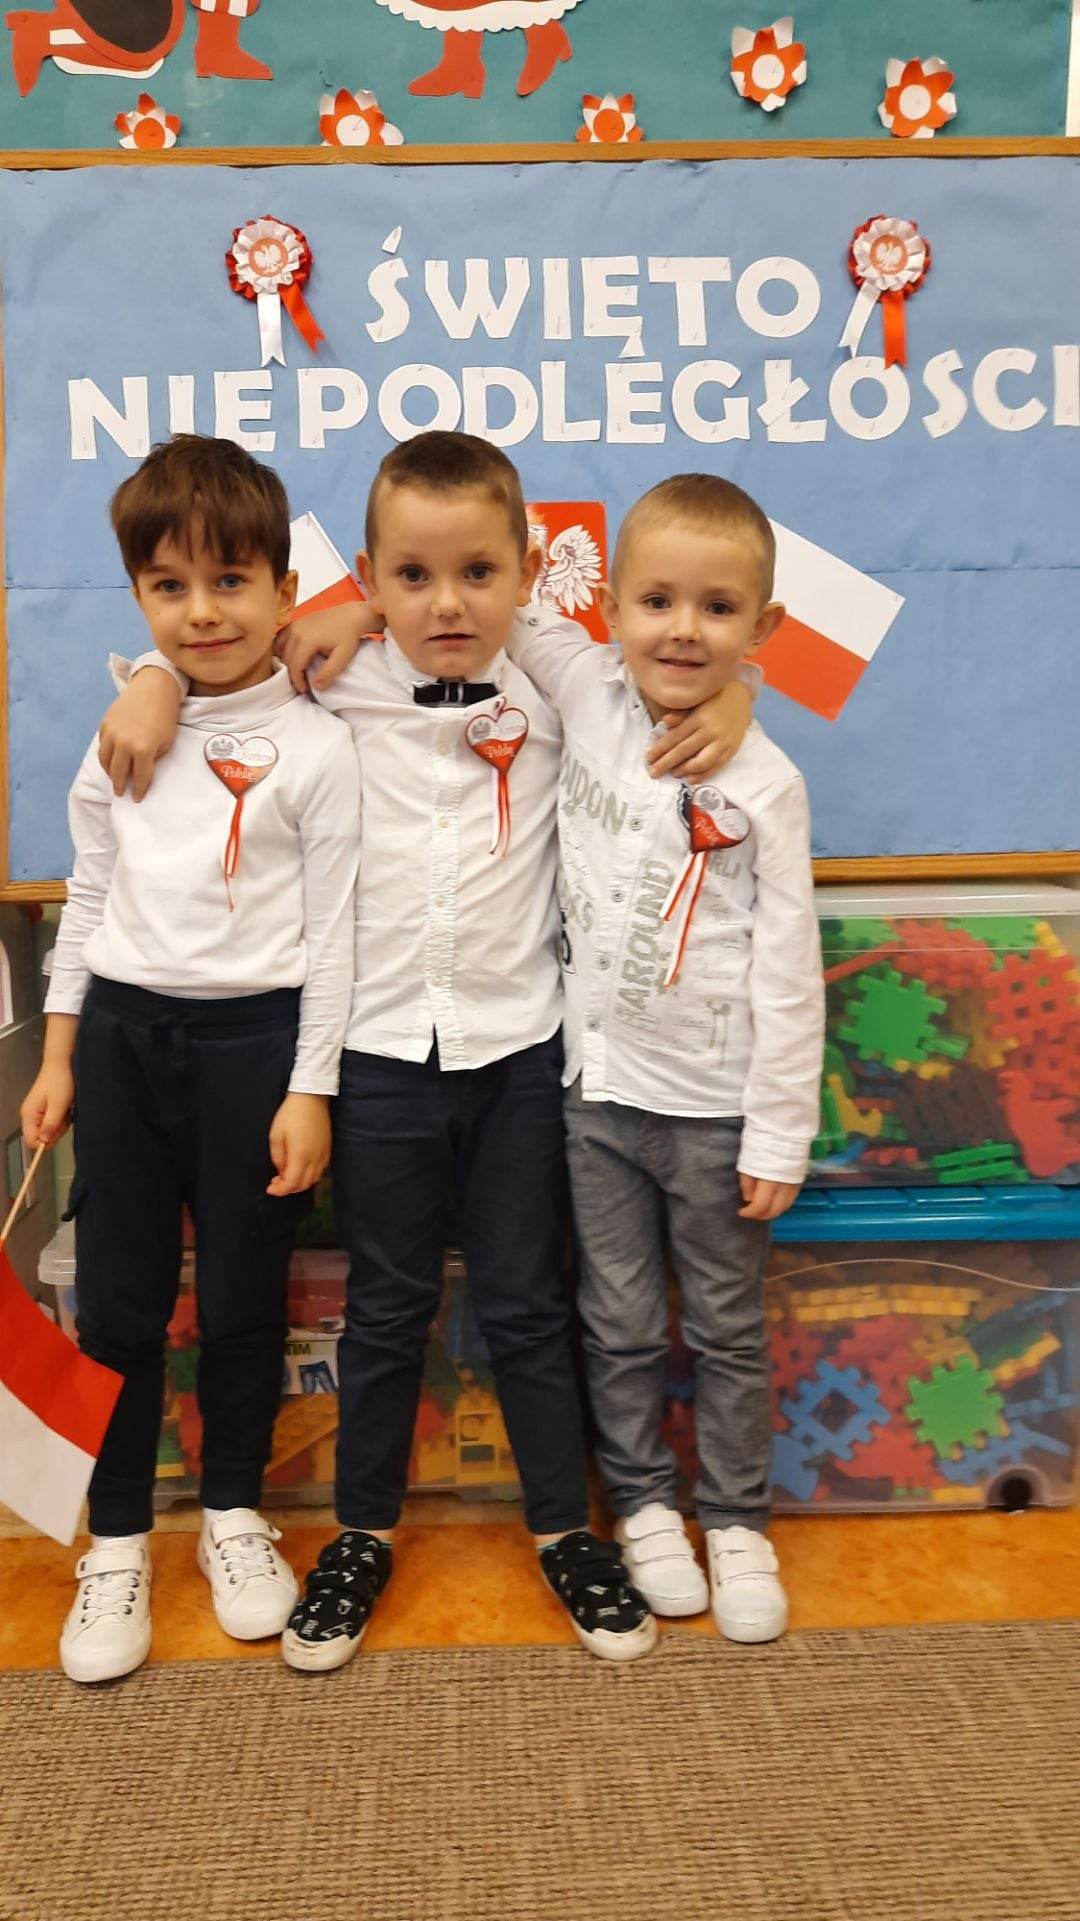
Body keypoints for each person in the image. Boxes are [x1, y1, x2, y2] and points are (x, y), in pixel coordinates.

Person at [97, 431, 751, 1670]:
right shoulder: (328, 680)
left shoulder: (558, 681)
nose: (446, 604)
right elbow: (218, 654)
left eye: (478, 573)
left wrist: (736, 691)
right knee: (386, 1306)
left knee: (526, 1302)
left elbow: (674, 671)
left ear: (530, 575)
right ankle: (361, 1533)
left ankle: (564, 1529)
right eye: (411, 576)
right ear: (367, 576)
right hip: (380, 1055)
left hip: (518, 1055)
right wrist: (152, 681)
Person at [21, 434, 360, 1684]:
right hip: (121, 1042)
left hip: (256, 1046)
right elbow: (87, 900)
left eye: (231, 581)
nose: (203, 611)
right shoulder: (121, 733)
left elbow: (334, 935)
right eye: (170, 586)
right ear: (137, 595)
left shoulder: (321, 748)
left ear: (283, 589)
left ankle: (232, 1513)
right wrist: (59, 1055)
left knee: (242, 1300)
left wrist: (310, 1086)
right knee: (117, 1305)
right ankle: (115, 1541)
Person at [508, 472, 825, 1642]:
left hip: (716, 1113)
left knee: (728, 1328)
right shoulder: (582, 684)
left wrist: (779, 1130)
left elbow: (788, 965)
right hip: (596, 1098)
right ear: (609, 608)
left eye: (718, 609)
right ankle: (643, 1504)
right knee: (621, 1321)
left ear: (763, 627)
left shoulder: (768, 782)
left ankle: (736, 1518)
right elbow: (481, 584)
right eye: (656, 601)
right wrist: (343, 613)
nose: (683, 630)